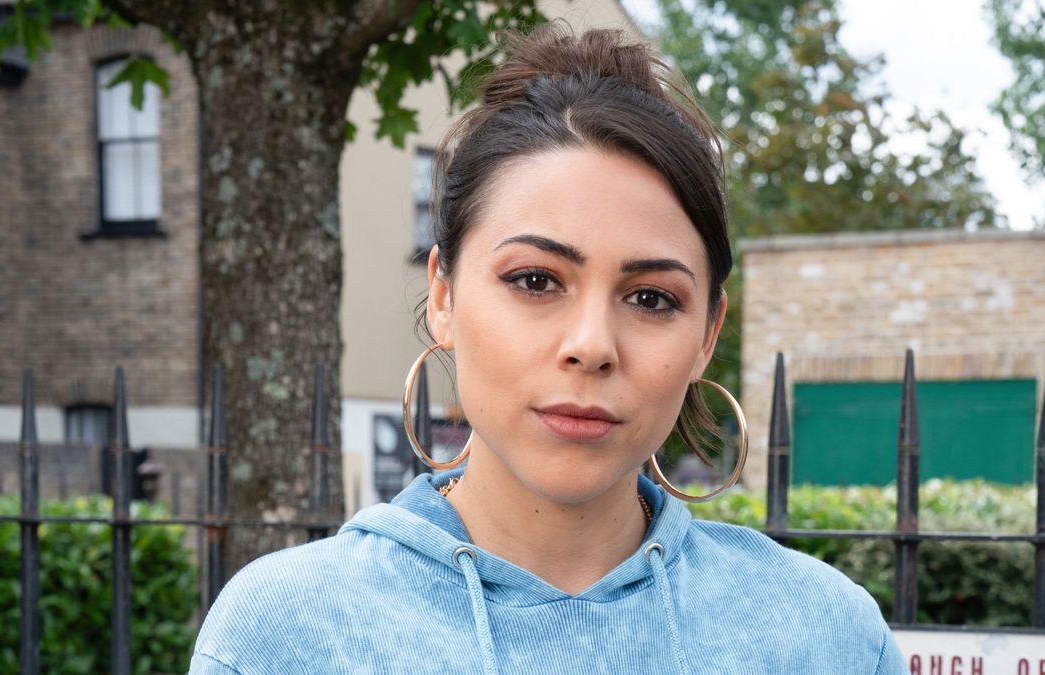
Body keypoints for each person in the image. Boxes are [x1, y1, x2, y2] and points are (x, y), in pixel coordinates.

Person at [190, 22, 907, 675]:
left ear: (707, 336)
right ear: (443, 293)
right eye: (535, 279)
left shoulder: (824, 634)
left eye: (652, 297)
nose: (591, 346)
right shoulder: (283, 636)